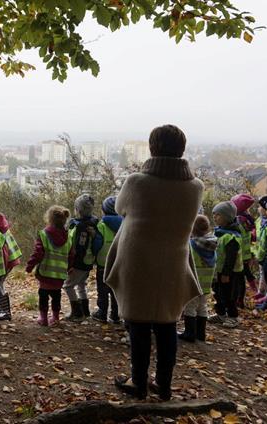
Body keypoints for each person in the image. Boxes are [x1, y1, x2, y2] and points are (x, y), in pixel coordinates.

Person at [105, 125, 203, 401]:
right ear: (181, 149)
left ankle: (139, 383)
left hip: (137, 260)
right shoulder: (196, 187)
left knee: (138, 324)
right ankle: (164, 384)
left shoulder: (137, 182)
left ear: (152, 147)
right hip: (174, 261)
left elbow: (119, 208)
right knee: (166, 324)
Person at [25, 205, 74, 327]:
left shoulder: (43, 235)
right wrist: (70, 268)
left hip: (45, 273)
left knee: (43, 295)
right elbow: (71, 255)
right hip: (60, 275)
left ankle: (43, 318)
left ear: (49, 219)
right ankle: (56, 318)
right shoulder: (69, 237)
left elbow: (38, 253)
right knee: (56, 296)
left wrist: (30, 266)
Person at [178, 215, 216, 343]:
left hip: (193, 282)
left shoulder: (192, 245)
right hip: (206, 283)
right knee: (202, 307)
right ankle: (201, 333)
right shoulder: (212, 244)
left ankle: (190, 333)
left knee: (190, 307)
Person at [209, 201, 244, 329]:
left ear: (227, 217)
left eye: (218, 215)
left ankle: (233, 317)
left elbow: (231, 258)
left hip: (230, 272)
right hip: (218, 270)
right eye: (213, 214)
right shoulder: (219, 232)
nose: (214, 217)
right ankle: (221, 314)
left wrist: (226, 273)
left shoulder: (231, 236)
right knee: (217, 293)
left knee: (229, 295)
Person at [65, 194, 99, 321]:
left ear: (78, 210)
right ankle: (86, 311)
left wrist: (71, 264)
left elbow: (80, 247)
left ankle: (77, 313)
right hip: (88, 260)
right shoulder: (93, 222)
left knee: (68, 286)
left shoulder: (80, 226)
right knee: (80, 285)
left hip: (79, 261)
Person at [92, 196, 123, 324]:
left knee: (103, 290)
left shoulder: (101, 225)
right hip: (119, 265)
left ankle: (102, 313)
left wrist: (94, 254)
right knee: (115, 290)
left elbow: (97, 244)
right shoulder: (125, 225)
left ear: (104, 210)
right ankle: (115, 315)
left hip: (103, 264)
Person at [231, 193, 256, 307]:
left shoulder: (237, 221)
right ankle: (241, 299)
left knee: (237, 279)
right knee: (242, 277)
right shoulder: (248, 219)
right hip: (246, 254)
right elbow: (253, 236)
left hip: (238, 255)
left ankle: (237, 299)